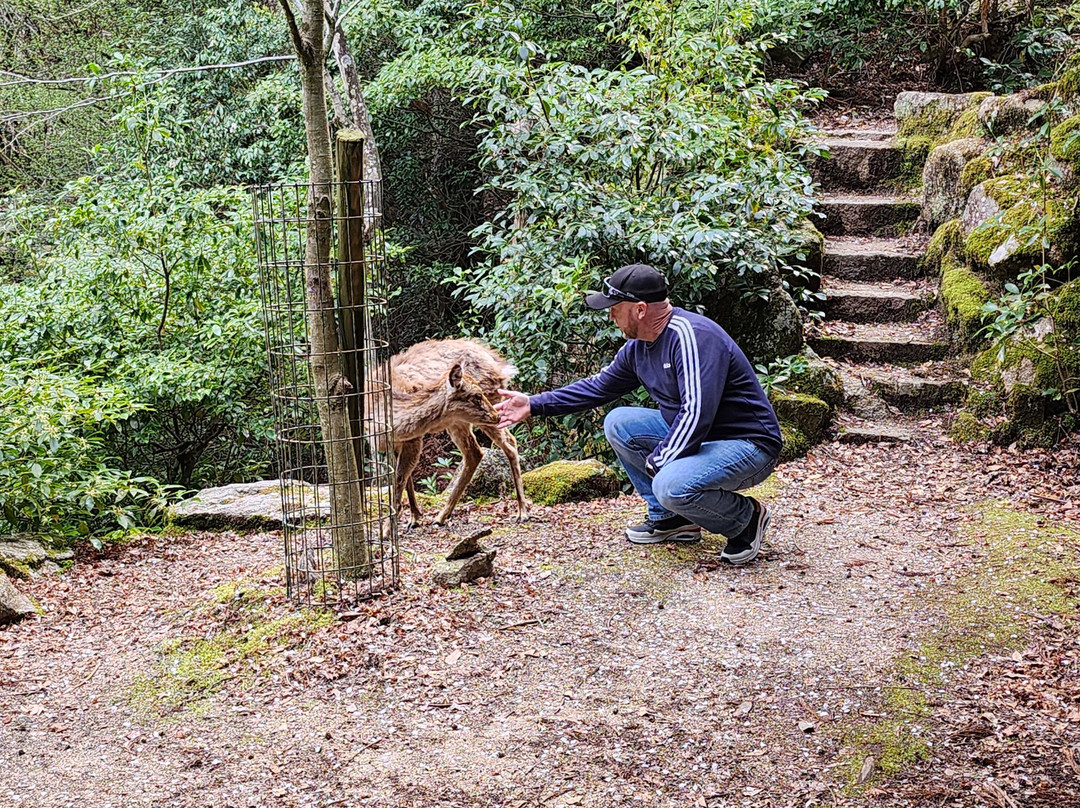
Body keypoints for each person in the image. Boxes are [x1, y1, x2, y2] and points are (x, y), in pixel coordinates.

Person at [494, 263, 782, 564]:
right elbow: (597, 387)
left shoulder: (692, 337)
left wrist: (660, 461)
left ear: (640, 310)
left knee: (669, 484)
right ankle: (672, 520)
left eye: (614, 308)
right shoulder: (638, 347)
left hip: (747, 444)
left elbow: (697, 412)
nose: (610, 316)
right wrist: (534, 404)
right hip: (703, 439)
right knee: (619, 422)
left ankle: (746, 519)